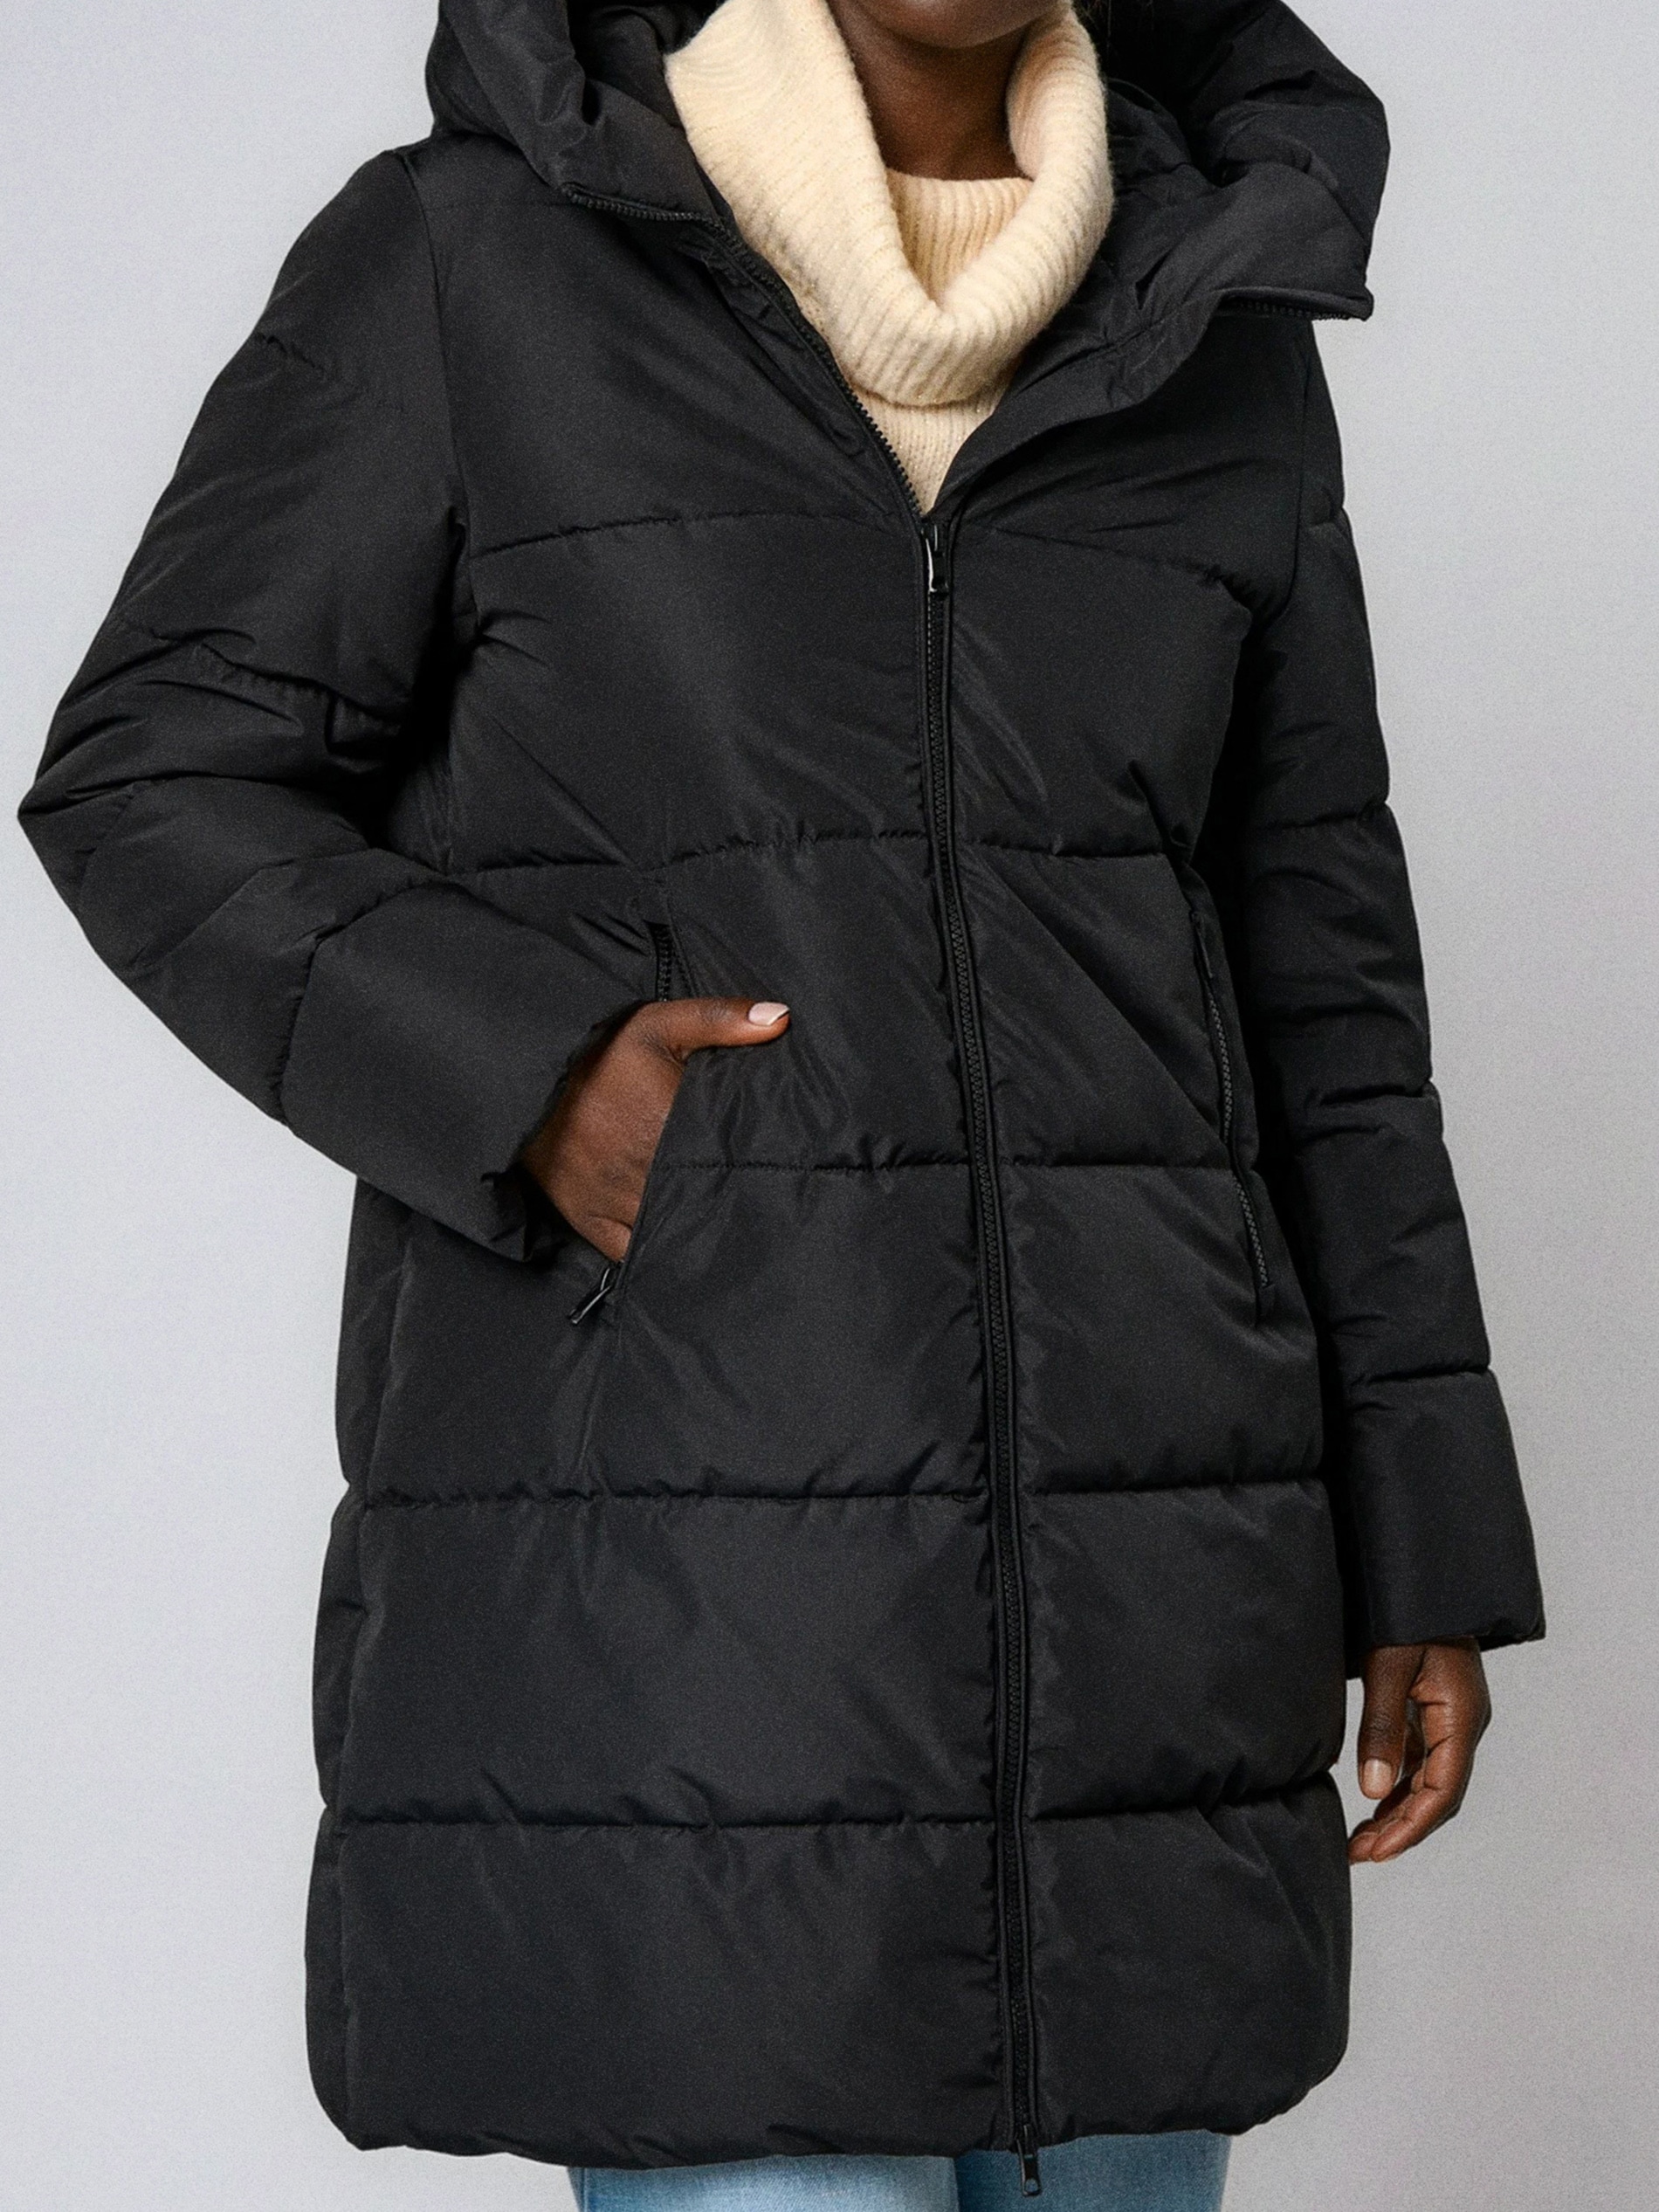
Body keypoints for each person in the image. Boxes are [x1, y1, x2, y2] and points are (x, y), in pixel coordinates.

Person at [18, 0, 1545, 2207]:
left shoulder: (1214, 313)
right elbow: (155, 774)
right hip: (688, 1626)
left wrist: (1421, 1534)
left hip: (1151, 1610)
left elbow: (1319, 978)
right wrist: (527, 1069)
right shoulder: (468, 261)